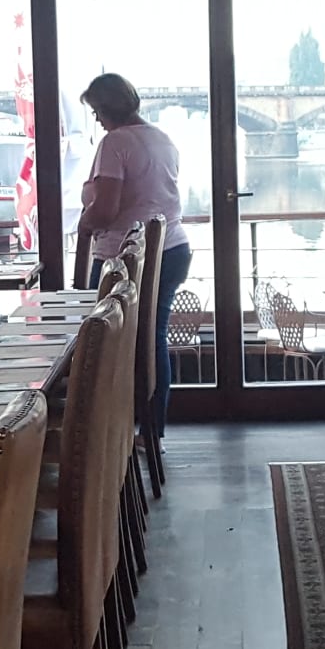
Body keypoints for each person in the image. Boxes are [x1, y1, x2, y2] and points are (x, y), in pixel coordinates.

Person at [76, 73, 190, 437]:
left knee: (100, 344)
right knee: (153, 340)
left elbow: (106, 209)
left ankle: (104, 435)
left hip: (122, 259)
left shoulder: (115, 143)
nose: (96, 118)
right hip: (172, 248)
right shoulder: (162, 139)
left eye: (96, 110)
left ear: (107, 108)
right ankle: (151, 430)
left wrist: (84, 223)